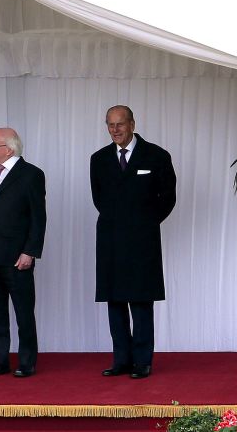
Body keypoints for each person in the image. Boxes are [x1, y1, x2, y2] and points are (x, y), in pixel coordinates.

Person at [89, 105, 176, 379]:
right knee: (115, 302)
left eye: (120, 124)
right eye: (110, 125)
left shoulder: (157, 155)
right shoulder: (99, 159)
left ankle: (142, 361)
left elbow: (168, 197)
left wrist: (146, 223)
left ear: (132, 124)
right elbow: (99, 199)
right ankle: (121, 360)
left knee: (140, 302)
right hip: (110, 240)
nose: (115, 130)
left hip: (142, 241)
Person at [0, 127, 46, 378]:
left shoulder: (31, 174)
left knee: (24, 312)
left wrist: (30, 252)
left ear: (10, 148)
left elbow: (38, 217)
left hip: (17, 258)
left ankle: (26, 361)